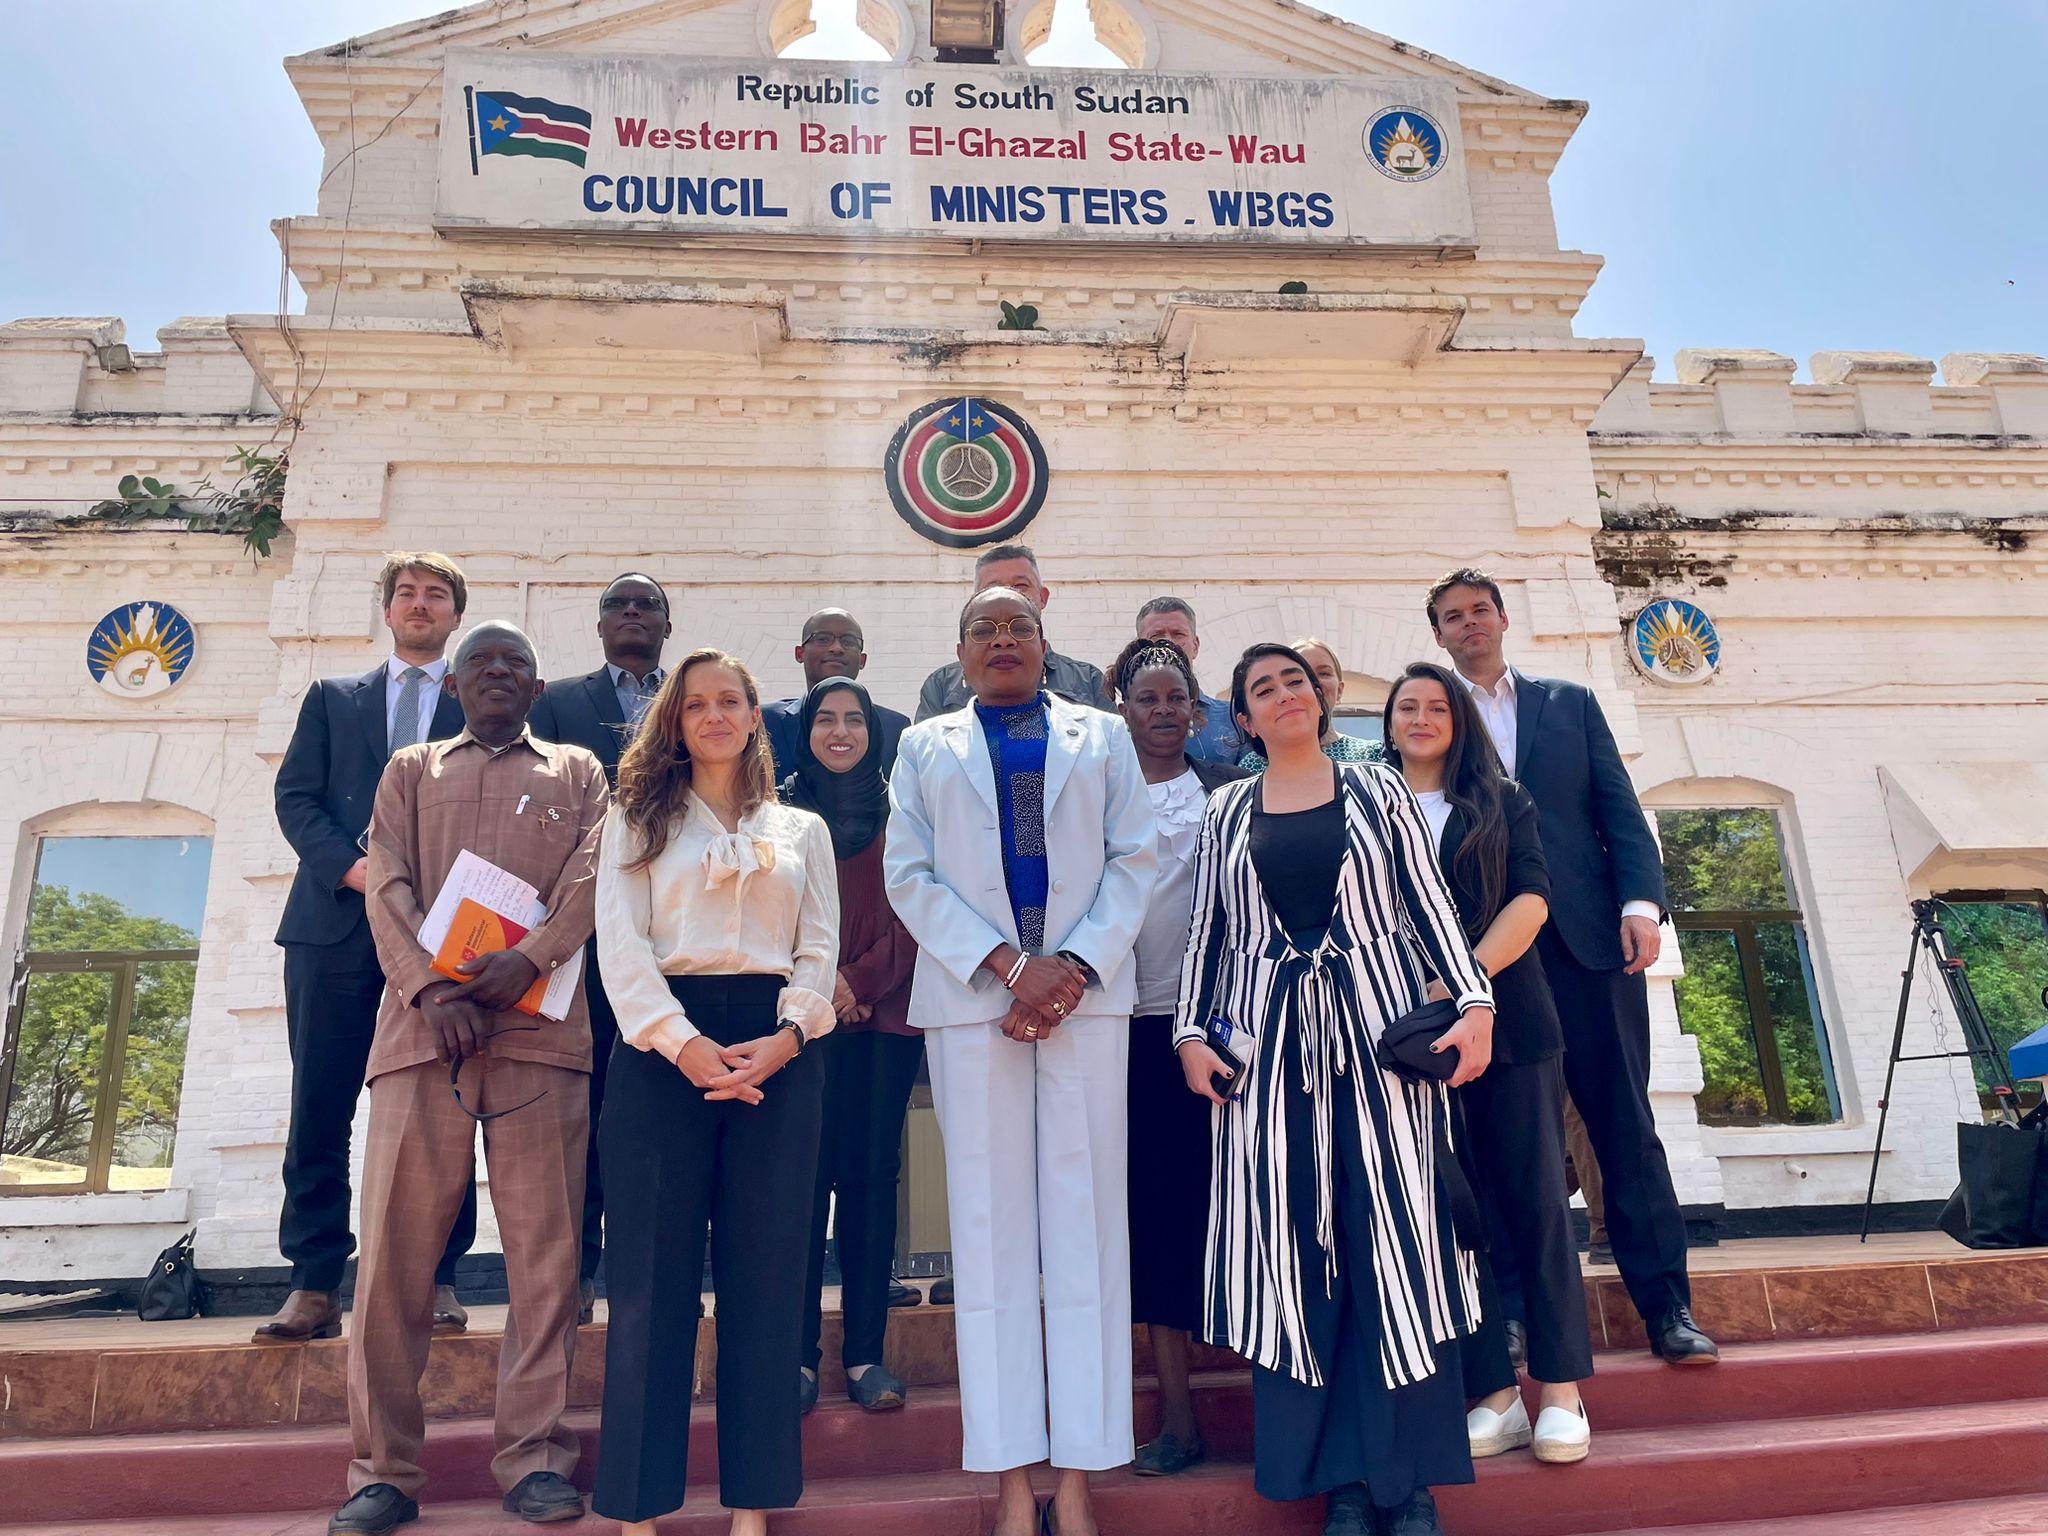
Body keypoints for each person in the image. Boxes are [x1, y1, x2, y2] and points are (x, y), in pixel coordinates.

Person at [1174, 642, 1496, 1536]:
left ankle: (1409, 1481)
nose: (1283, 695)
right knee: (1294, 1250)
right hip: (1269, 1059)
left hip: (1377, 1049)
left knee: (1390, 1246)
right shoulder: (1226, 811)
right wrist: (1192, 1036)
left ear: (1320, 698)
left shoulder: (1382, 790)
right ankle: (1342, 1483)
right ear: (1241, 718)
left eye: (1294, 681)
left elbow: (1429, 903)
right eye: (1261, 689)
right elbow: (1207, 934)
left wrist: (1474, 1002)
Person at [885, 587, 1158, 1536]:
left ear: (1047, 644)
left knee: (1088, 1238)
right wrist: (1008, 966)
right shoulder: (924, 747)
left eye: (1019, 628)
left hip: (1087, 1003)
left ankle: (1079, 1483)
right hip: (973, 1004)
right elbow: (906, 874)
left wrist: (1070, 970)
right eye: (983, 630)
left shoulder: (1104, 735)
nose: (1003, 641)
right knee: (992, 1242)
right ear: (959, 652)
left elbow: (1137, 857)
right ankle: (1010, 1484)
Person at [335, 621, 610, 1535]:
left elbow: (591, 876)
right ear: (453, 684)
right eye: (481, 663)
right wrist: (428, 988)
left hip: (540, 1042)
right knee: (393, 1267)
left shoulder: (578, 773)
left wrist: (529, 959)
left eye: (516, 665)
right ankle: (382, 1472)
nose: (499, 674)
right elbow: (388, 885)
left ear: (538, 689)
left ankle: (534, 1457)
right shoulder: (411, 769)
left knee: (547, 1264)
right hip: (424, 1040)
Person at [1427, 567, 1717, 1366]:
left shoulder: (1570, 704)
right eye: (1453, 616)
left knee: (1625, 1124)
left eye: (1479, 610)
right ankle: (1512, 1312)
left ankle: (1667, 1308)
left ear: (1502, 619)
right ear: (1440, 635)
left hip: (1592, 944)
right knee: (1506, 1140)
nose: (1469, 624)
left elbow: (1618, 810)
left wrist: (1640, 905)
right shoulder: (1434, 719)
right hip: (1494, 958)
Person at [593, 648, 840, 1536]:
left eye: (729, 700)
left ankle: (754, 1505)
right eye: (695, 703)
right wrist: (685, 1045)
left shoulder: (801, 829)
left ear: (752, 716)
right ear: (675, 720)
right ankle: (637, 1509)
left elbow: (820, 949)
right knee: (652, 1284)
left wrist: (784, 1039)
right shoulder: (633, 820)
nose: (714, 715)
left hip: (778, 1051)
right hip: (665, 1051)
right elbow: (619, 947)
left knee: (768, 1282)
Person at [262, 552, 478, 1345]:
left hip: (439, 938)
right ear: (387, 611)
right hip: (334, 929)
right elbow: (297, 799)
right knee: (319, 1106)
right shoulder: (331, 699)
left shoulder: (479, 704)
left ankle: (441, 1275)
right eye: (408, 594)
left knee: (445, 1104)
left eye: (437, 596)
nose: (421, 606)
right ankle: (314, 1282)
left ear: (456, 614)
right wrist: (358, 872)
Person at [1382, 661, 1594, 1466]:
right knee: (1455, 1221)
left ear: (1459, 722)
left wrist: (1460, 979)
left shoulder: (1504, 801)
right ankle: (1495, 1395)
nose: (1425, 717)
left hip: (1511, 1026)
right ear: (1389, 722)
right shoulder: (1369, 808)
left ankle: (1562, 1392)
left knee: (1537, 1205)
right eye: (1409, 707)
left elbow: (1532, 900)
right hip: (1411, 1041)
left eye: (1440, 705)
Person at [1104, 637, 1246, 1478]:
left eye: (1175, 698)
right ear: (1122, 709)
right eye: (1145, 697)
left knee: (1241, 1209)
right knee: (1154, 1221)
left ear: (1197, 712)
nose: (1161, 710)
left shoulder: (1232, 796)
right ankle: (1180, 1418)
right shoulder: (1095, 796)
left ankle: (1281, 1409)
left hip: (1223, 1031)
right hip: (1122, 1031)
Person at [525, 570, 672, 1324]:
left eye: (646, 604)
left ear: (666, 625)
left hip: (672, 927)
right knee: (581, 1109)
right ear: (600, 623)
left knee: (656, 1109)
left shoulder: (694, 698)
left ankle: (651, 1279)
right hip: (580, 930)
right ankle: (576, 1277)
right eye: (618, 604)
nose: (632, 613)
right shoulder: (558, 704)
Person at [781, 679, 923, 1415]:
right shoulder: (775, 811)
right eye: (826, 720)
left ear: (874, 732)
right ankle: (798, 1360)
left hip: (884, 1020)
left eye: (855, 721)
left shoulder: (905, 814)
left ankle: (867, 1356)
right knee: (801, 1184)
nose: (840, 732)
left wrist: (856, 982)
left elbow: (919, 911)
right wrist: (822, 990)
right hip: (799, 1027)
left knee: (870, 1182)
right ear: (806, 730)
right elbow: (769, 913)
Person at [914, 544, 1106, 719]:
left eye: (1020, 586)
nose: (1008, 595)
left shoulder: (1087, 681)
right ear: (976, 602)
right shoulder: (942, 686)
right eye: (994, 587)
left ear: (1043, 597)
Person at [762, 607, 910, 778]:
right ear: (799, 653)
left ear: (862, 660)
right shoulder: (766, 723)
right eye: (823, 639)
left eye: (848, 641)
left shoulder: (895, 728)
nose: (837, 648)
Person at [1235, 636, 1380, 772]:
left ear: (1340, 689)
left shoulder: (1373, 756)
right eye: (1265, 691)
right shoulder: (1251, 766)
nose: (1316, 682)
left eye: (1324, 673)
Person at [1133, 596, 1242, 766]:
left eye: (1178, 634)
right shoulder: (1121, 728)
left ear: (1196, 645)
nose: (1168, 642)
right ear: (1139, 647)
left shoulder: (1234, 718)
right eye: (1156, 635)